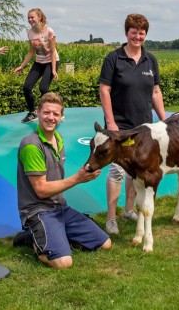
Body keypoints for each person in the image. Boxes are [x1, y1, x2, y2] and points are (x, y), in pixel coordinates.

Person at [15, 92, 111, 269]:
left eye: (55, 114)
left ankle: (56, 236)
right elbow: (41, 190)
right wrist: (78, 178)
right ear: (37, 113)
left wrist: (85, 174)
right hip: (38, 211)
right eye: (46, 112)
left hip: (60, 207)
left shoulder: (58, 139)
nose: (51, 117)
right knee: (63, 263)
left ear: (61, 117)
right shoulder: (31, 145)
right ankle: (31, 238)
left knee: (105, 244)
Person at [99, 13, 167, 235]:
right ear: (126, 33)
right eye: (134, 32)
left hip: (143, 128)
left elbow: (155, 91)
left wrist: (165, 120)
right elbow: (105, 90)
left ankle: (128, 209)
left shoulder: (150, 60)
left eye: (141, 33)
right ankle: (111, 218)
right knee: (118, 171)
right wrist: (111, 122)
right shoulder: (114, 58)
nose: (138, 36)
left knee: (135, 171)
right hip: (119, 126)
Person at [14, 8, 59, 124]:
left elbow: (53, 52)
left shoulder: (49, 31)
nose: (30, 19)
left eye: (32, 17)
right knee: (27, 87)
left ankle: (54, 112)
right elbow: (31, 52)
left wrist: (54, 69)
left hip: (50, 62)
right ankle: (32, 113)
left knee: (43, 88)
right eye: (28, 18)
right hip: (39, 62)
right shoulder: (30, 33)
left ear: (39, 17)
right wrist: (21, 66)